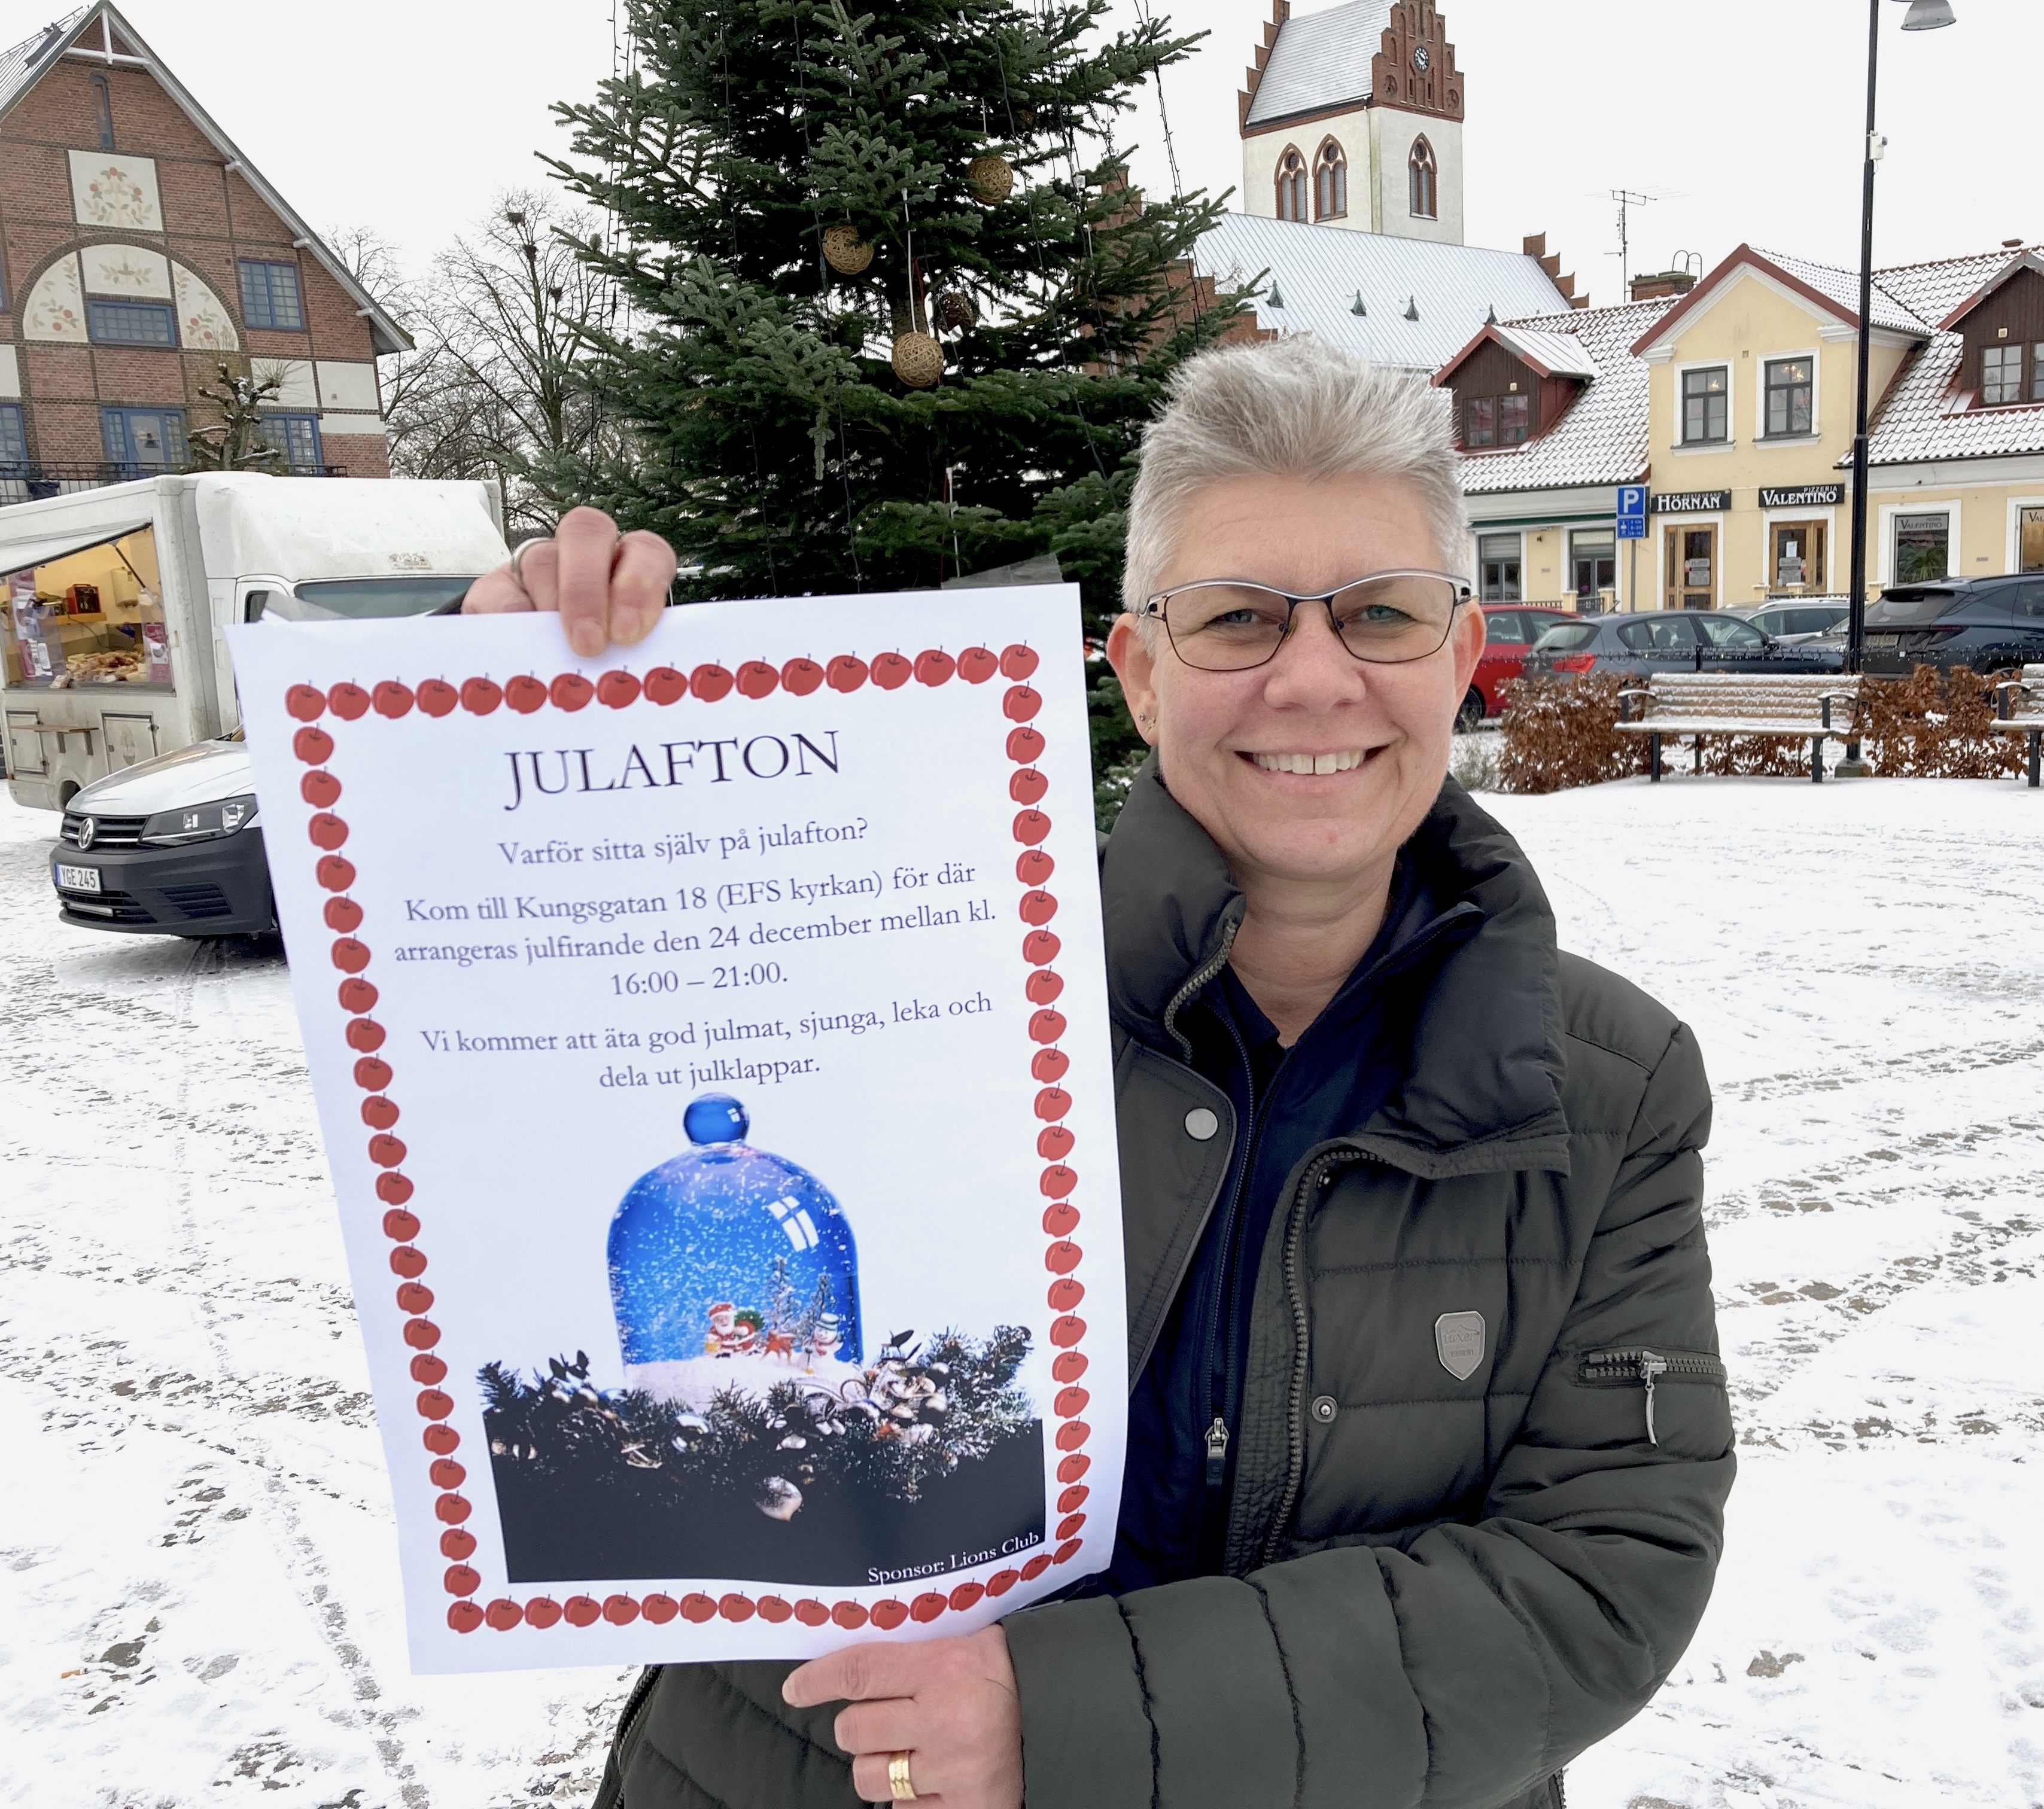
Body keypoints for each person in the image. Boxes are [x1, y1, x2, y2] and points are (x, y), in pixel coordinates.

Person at [467, 336, 1732, 1809]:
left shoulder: (1610, 1090)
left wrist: (1055, 1721)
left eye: (1381, 615)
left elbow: (1597, 1576)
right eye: (1236, 619)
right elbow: (564, 1148)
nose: (1314, 680)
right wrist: (493, 698)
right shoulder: (887, 990)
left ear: (1458, 656)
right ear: (1137, 671)